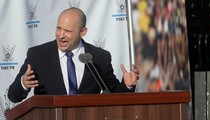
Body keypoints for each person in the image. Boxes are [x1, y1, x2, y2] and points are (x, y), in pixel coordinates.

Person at [8, 7, 140, 103]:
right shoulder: (38, 55)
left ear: (83, 32)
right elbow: (13, 96)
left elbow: (113, 94)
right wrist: (23, 84)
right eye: (59, 28)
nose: (61, 35)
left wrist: (127, 85)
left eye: (68, 31)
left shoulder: (99, 57)